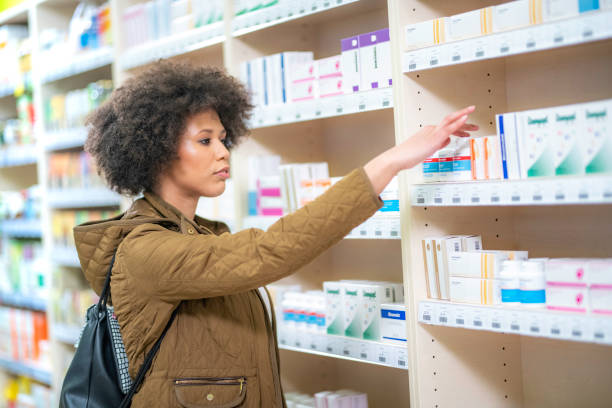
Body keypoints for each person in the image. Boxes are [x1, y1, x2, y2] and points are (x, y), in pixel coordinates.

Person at [74, 61, 477, 407]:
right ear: (156, 150)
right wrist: (389, 163)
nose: (223, 152)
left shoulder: (203, 235)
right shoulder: (147, 251)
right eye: (205, 140)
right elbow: (269, 252)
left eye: (223, 139)